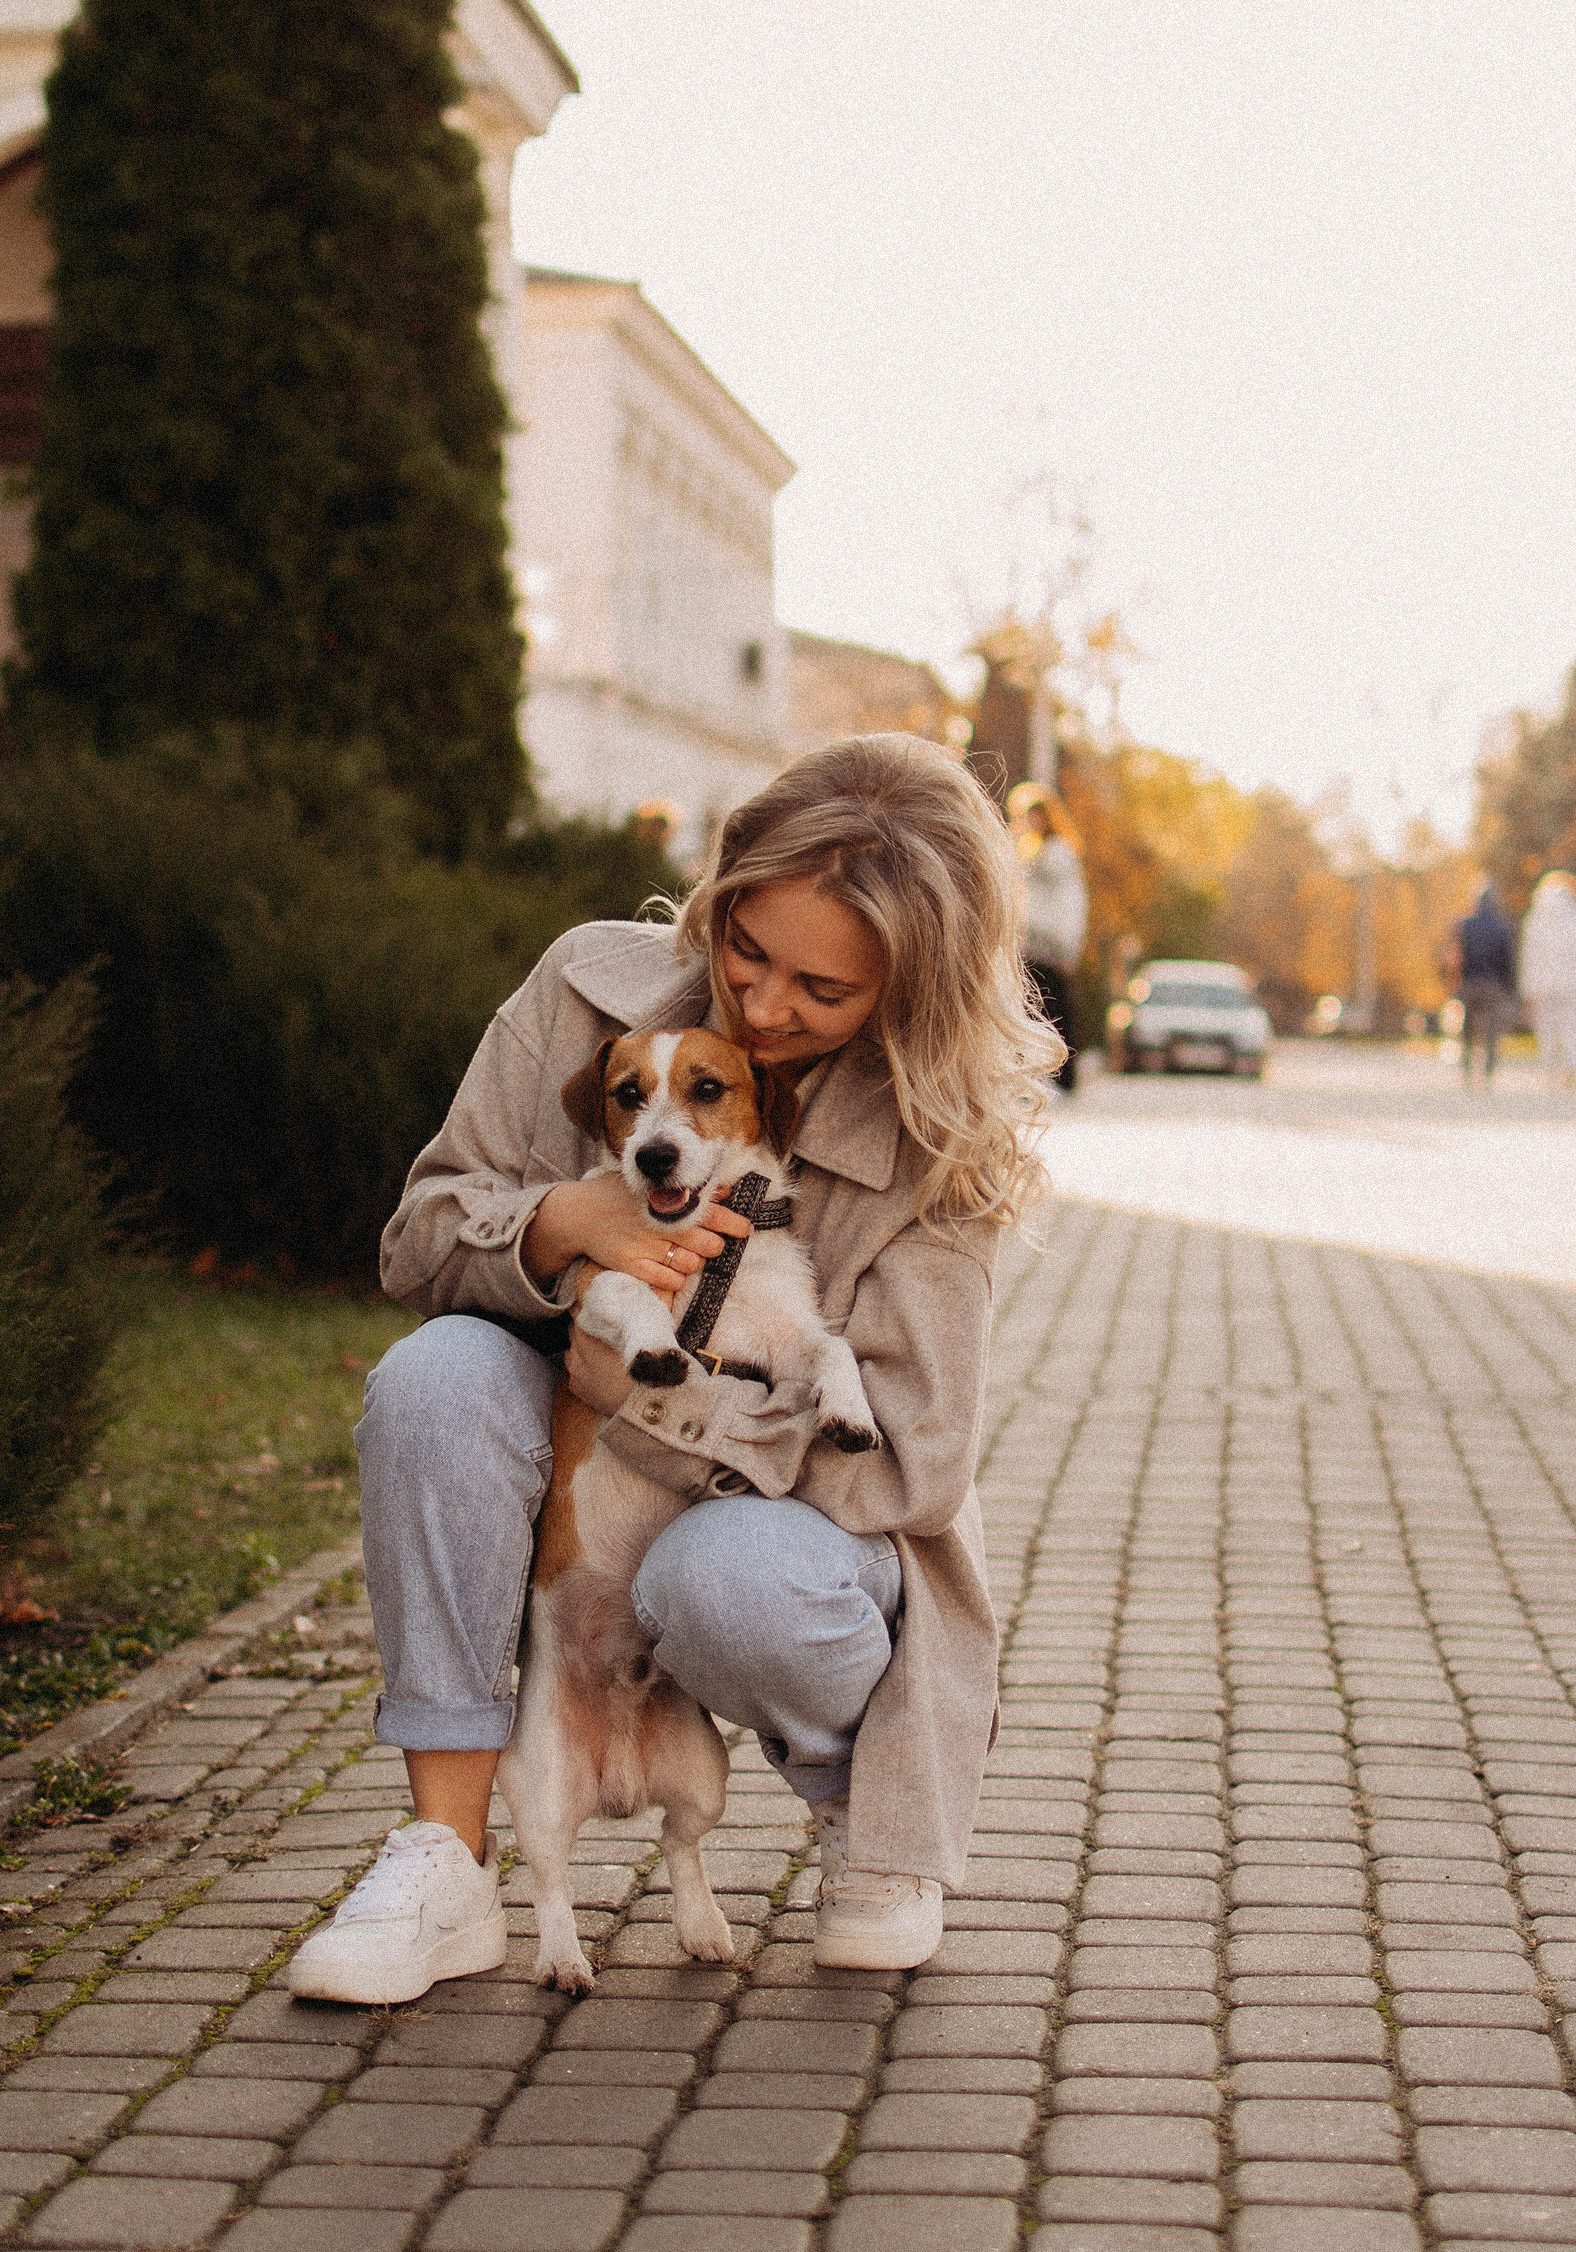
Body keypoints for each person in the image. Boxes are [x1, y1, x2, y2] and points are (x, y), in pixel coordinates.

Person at [284, 735, 1064, 2004]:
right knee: (433, 1384)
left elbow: (911, 1464)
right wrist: (560, 1224)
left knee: (727, 1579)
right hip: (578, 1488)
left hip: (811, 1523)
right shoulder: (586, 991)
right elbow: (419, 1235)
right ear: (720, 894)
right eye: (746, 950)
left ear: (909, 990)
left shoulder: (939, 1136)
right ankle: (444, 1855)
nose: (760, 1007)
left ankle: (860, 1809)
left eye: (821, 989)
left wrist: (648, 1403)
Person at [1012, 783, 1089, 1092]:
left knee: (1056, 1010)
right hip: (1026, 942)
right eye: (1029, 816)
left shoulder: (1061, 854)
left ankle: (1064, 1076)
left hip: (1053, 946)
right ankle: (1028, 1071)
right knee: (1026, 1009)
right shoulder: (1027, 850)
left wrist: (1069, 947)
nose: (1033, 822)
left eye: (1038, 816)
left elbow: (1073, 903)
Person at [1518, 870, 1576, 1086]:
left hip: (1542, 985)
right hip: (1574, 984)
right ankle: (1572, 1068)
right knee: (1572, 1029)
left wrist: (1527, 987)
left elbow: (1529, 956)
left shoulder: (1534, 919)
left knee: (1546, 1030)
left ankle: (1550, 1070)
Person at [1453, 883, 1517, 1084]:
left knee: (1468, 1029)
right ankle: (1488, 1070)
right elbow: (1508, 959)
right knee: (1491, 1030)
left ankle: (1467, 1069)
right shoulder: (1502, 926)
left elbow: (1456, 955)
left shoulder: (1465, 924)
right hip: (1493, 983)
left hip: (1469, 982)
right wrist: (1508, 986)